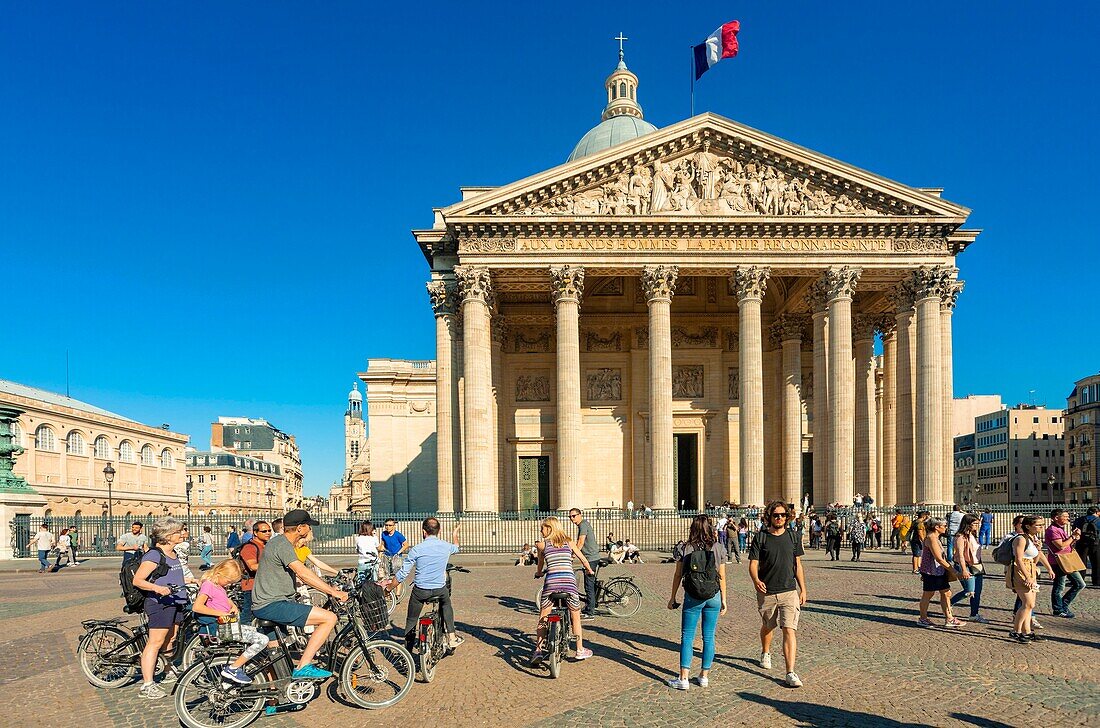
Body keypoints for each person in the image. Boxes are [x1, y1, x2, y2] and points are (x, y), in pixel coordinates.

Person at [251, 509, 348, 679]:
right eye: (308, 526)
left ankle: (274, 701)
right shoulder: (283, 544)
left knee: (276, 657)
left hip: (267, 603)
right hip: (273, 605)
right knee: (329, 618)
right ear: (300, 528)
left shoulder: (278, 543)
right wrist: (332, 591)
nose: (310, 530)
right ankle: (304, 665)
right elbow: (302, 572)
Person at [748, 501, 807, 689]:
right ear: (769, 517)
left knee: (789, 629)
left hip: (789, 590)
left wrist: (803, 589)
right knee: (768, 626)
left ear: (787, 517)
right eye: (776, 515)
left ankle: (790, 672)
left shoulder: (793, 537)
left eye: (782, 515)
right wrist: (756, 580)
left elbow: (797, 565)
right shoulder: (761, 537)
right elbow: (753, 564)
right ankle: (765, 651)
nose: (779, 518)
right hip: (768, 591)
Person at [667, 514, 727, 690]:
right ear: (710, 528)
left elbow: (678, 574)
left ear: (692, 528)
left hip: (693, 596)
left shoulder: (684, 548)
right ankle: (704, 676)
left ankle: (683, 678)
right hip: (713, 596)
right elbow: (722, 576)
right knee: (709, 637)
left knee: (687, 636)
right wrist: (724, 599)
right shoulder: (718, 547)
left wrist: (672, 597)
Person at [131, 517, 188, 699]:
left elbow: (170, 577)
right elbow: (138, 580)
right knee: (155, 642)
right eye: (178, 531)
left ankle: (167, 668)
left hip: (176, 601)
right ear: (168, 535)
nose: (182, 534)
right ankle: (147, 684)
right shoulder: (155, 555)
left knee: (170, 640)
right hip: (160, 603)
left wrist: (190, 581)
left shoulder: (174, 553)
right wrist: (157, 588)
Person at [191, 558, 273, 684]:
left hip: (226, 626)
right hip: (220, 629)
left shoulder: (218, 585)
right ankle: (233, 668)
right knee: (263, 640)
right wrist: (222, 613)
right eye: (228, 581)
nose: (229, 584)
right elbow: (197, 607)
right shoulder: (208, 585)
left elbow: (222, 598)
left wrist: (232, 605)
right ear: (219, 574)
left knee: (256, 631)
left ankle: (244, 663)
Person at [390, 517, 463, 652]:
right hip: (439, 590)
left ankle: (408, 651)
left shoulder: (417, 549)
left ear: (424, 532)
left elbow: (402, 574)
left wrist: (389, 588)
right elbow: (457, 548)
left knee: (411, 619)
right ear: (439, 531)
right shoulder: (446, 546)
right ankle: (452, 637)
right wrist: (454, 534)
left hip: (420, 591)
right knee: (446, 603)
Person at [530, 516, 594, 665]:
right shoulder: (570, 542)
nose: (540, 531)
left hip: (551, 584)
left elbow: (540, 566)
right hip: (569, 584)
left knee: (543, 616)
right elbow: (583, 559)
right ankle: (579, 649)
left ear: (550, 528)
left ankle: (538, 650)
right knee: (575, 616)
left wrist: (539, 573)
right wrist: (589, 570)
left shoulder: (542, 545)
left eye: (542, 528)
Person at [1008, 515, 1051, 643]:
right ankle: (1016, 631)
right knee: (1027, 604)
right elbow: (1019, 559)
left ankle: (1027, 631)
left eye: (1042, 525)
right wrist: (1027, 576)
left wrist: (1038, 549)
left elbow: (1035, 559)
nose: (1041, 527)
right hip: (1021, 571)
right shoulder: (1021, 539)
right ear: (1028, 526)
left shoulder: (1032, 539)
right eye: (1038, 525)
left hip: (1031, 570)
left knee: (1030, 606)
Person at [916, 517, 961, 628]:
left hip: (937, 571)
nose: (946, 528)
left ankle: (949, 618)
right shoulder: (931, 538)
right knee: (928, 594)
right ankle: (922, 618)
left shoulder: (935, 537)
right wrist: (953, 571)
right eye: (944, 526)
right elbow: (939, 558)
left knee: (946, 593)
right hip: (931, 571)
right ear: (937, 527)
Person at [1045, 509, 1085, 618]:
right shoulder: (1052, 530)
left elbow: (1067, 544)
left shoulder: (1060, 529)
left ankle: (1063, 605)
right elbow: (1061, 546)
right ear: (1056, 518)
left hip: (1067, 559)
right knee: (1059, 586)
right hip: (1058, 561)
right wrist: (1072, 537)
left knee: (1080, 584)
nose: (1067, 518)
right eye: (1065, 516)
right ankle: (1058, 609)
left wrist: (1075, 537)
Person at [950, 514, 988, 623]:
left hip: (976, 566)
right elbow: (960, 555)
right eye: (974, 523)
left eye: (977, 523)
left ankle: (974, 614)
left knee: (977, 592)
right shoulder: (960, 537)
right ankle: (948, 603)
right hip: (965, 566)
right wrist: (964, 570)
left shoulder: (973, 535)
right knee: (969, 591)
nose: (977, 525)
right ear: (968, 524)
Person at [238, 520, 271, 625]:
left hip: (263, 585)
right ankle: (244, 637)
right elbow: (252, 566)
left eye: (269, 530)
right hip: (251, 586)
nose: (268, 533)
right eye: (264, 531)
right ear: (255, 533)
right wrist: (274, 566)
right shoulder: (250, 547)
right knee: (248, 615)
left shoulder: (266, 546)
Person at [570, 508, 600, 620]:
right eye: (570, 517)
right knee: (591, 583)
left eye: (574, 516)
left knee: (589, 585)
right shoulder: (583, 524)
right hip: (591, 557)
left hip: (590, 558)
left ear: (580, 515)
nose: (572, 518)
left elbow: (581, 542)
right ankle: (590, 605)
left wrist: (573, 555)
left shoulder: (583, 525)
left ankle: (590, 612)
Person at [379, 519, 410, 597]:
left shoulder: (398, 535)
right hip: (387, 555)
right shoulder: (384, 534)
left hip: (396, 557)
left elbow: (406, 545)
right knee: (387, 574)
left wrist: (398, 552)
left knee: (397, 574)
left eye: (390, 525)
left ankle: (398, 593)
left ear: (394, 526)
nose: (388, 527)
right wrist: (380, 554)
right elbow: (382, 545)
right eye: (386, 525)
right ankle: (388, 592)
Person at [1080, 506, 1100, 587]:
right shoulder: (1098, 520)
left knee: (1081, 562)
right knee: (1097, 562)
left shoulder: (1080, 519)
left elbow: (1074, 528)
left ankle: (1080, 579)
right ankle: (1097, 581)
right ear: (1097, 512)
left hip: (1082, 542)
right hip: (1096, 543)